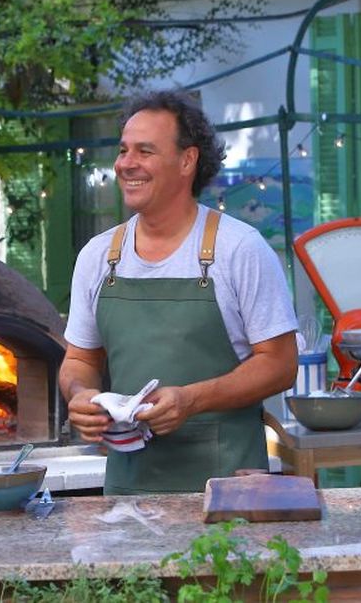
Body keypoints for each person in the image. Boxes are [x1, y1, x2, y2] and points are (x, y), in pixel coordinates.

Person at [60, 90, 299, 494]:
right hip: (127, 496)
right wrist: (82, 395)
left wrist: (191, 399)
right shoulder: (99, 256)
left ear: (187, 160)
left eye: (145, 151)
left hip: (228, 496)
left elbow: (280, 364)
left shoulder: (239, 249)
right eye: (123, 150)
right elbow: (79, 359)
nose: (125, 164)